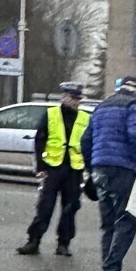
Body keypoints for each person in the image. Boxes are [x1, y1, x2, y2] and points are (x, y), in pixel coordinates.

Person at [81, 75, 136, 271]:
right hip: (122, 169)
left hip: (99, 168)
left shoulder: (102, 107)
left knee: (108, 223)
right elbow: (134, 134)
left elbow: (86, 140)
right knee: (128, 220)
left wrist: (91, 164)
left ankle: (108, 269)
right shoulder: (133, 106)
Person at [17, 83, 90, 257]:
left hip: (74, 170)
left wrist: (88, 167)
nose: (75, 102)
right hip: (53, 168)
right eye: (72, 98)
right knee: (45, 206)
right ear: (64, 97)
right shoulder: (51, 115)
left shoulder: (85, 118)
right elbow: (40, 141)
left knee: (70, 208)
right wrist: (41, 167)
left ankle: (63, 244)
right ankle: (33, 241)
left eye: (78, 99)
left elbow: (89, 144)